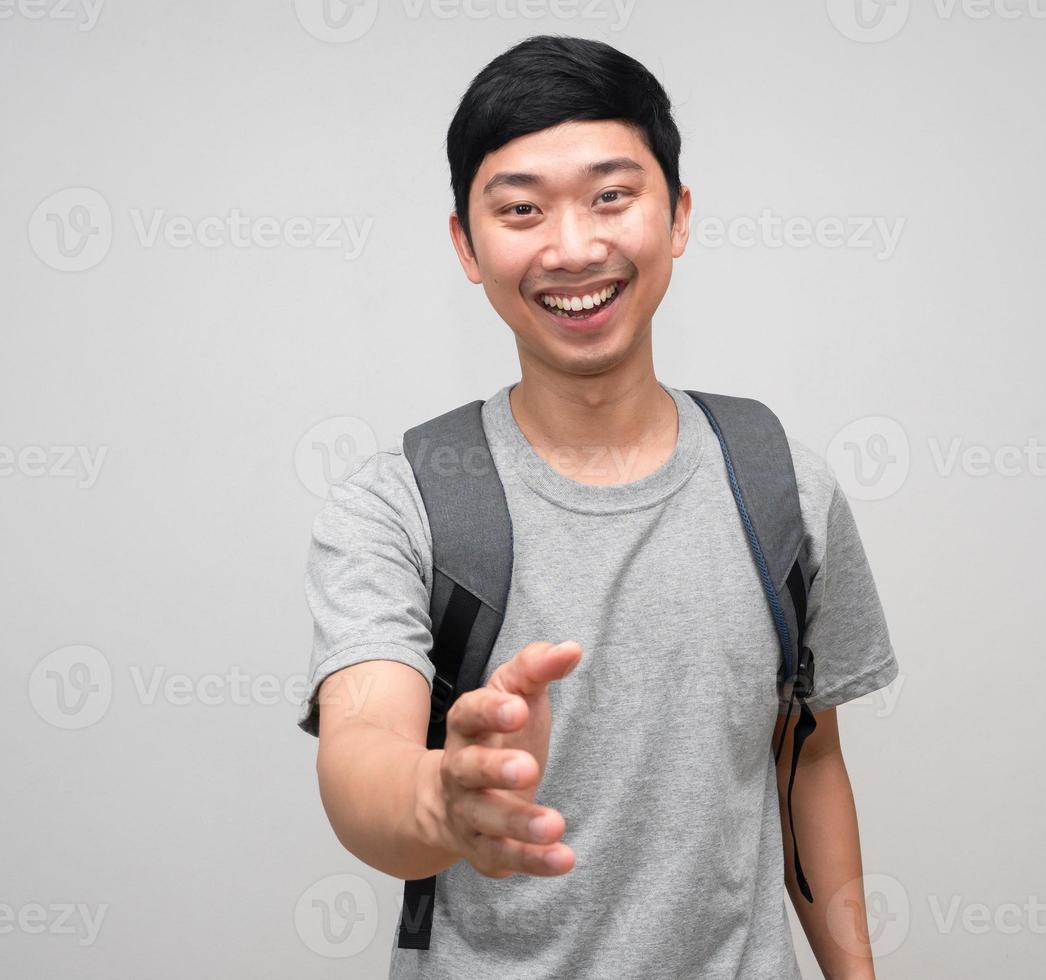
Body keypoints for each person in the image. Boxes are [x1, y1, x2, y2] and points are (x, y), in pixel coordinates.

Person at [298, 34, 899, 979]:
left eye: (611, 196)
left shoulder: (778, 482)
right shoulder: (401, 502)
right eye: (521, 209)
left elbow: (806, 761)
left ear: (678, 215)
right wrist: (442, 800)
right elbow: (362, 754)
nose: (573, 247)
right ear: (466, 242)